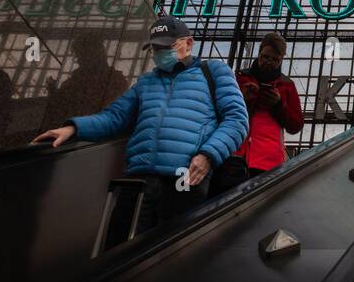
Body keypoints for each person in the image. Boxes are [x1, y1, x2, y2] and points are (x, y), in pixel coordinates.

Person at [32, 16, 248, 236]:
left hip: (184, 178)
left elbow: (237, 120)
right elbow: (114, 117)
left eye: (167, 46)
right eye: (155, 48)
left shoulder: (213, 72)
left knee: (172, 252)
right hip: (139, 180)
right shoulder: (146, 82)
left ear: (189, 43)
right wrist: (73, 128)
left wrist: (208, 156)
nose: (160, 53)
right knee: (120, 246)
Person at [228, 32, 304, 182]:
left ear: (281, 60)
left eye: (275, 59)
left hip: (267, 159)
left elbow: (296, 125)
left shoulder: (287, 85)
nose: (269, 61)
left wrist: (278, 104)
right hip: (238, 153)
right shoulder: (240, 78)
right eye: (265, 57)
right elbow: (223, 110)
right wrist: (243, 99)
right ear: (259, 53)